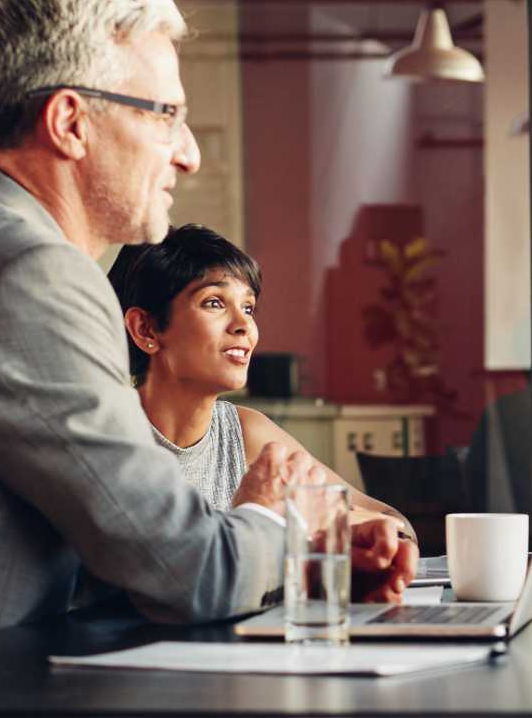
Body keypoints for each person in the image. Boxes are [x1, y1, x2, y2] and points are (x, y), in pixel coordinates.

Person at [0, 0, 414, 643]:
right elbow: (192, 574)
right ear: (70, 122)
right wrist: (274, 516)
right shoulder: (32, 275)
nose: (186, 154)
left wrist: (303, 555)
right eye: (166, 115)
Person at [107, 224, 416, 541]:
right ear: (145, 329)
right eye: (214, 302)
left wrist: (364, 531)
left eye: (248, 307)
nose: (244, 326)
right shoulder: (105, 441)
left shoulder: (246, 433)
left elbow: (396, 524)